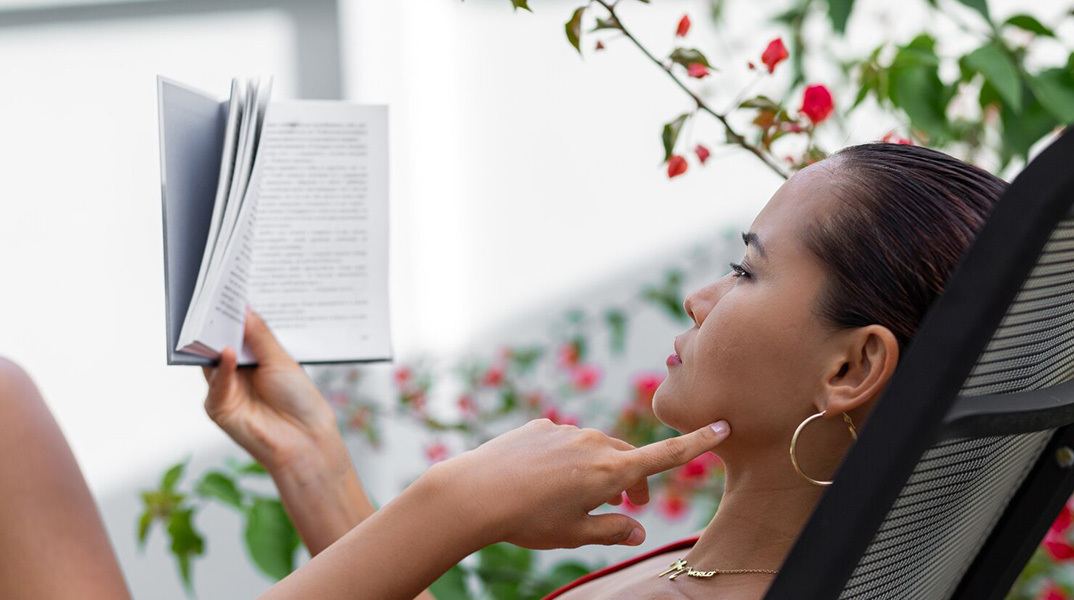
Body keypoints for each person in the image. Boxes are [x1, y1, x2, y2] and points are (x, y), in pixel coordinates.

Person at [0, 140, 1007, 600]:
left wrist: (457, 503)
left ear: (852, 366)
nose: (700, 298)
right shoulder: (728, 566)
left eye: (745, 268)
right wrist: (316, 467)